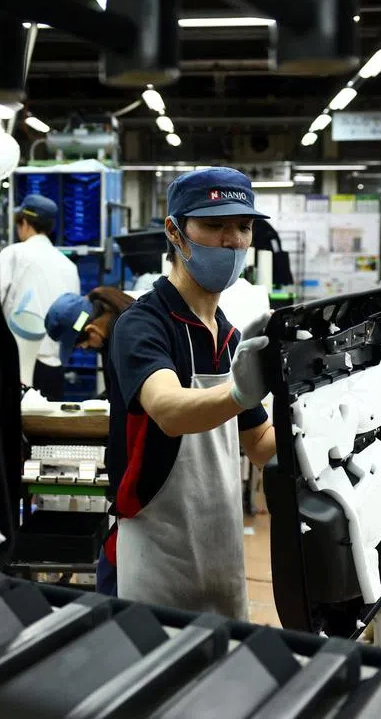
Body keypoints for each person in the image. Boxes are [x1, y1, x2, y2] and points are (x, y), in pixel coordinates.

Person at [100, 167, 277, 619]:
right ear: (175, 233)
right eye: (214, 226)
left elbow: (258, 444)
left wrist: (340, 421)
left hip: (218, 553)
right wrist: (240, 393)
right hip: (149, 557)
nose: (233, 241)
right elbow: (170, 410)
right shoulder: (143, 325)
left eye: (242, 227)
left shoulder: (230, 337)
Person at [0, 194, 80, 401]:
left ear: (24, 223)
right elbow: (75, 318)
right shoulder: (69, 266)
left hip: (16, 364)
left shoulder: (13, 254)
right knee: (47, 429)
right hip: (53, 365)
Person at [44, 287, 136, 366]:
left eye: (82, 343)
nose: (85, 347)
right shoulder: (116, 303)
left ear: (91, 329)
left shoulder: (134, 337)